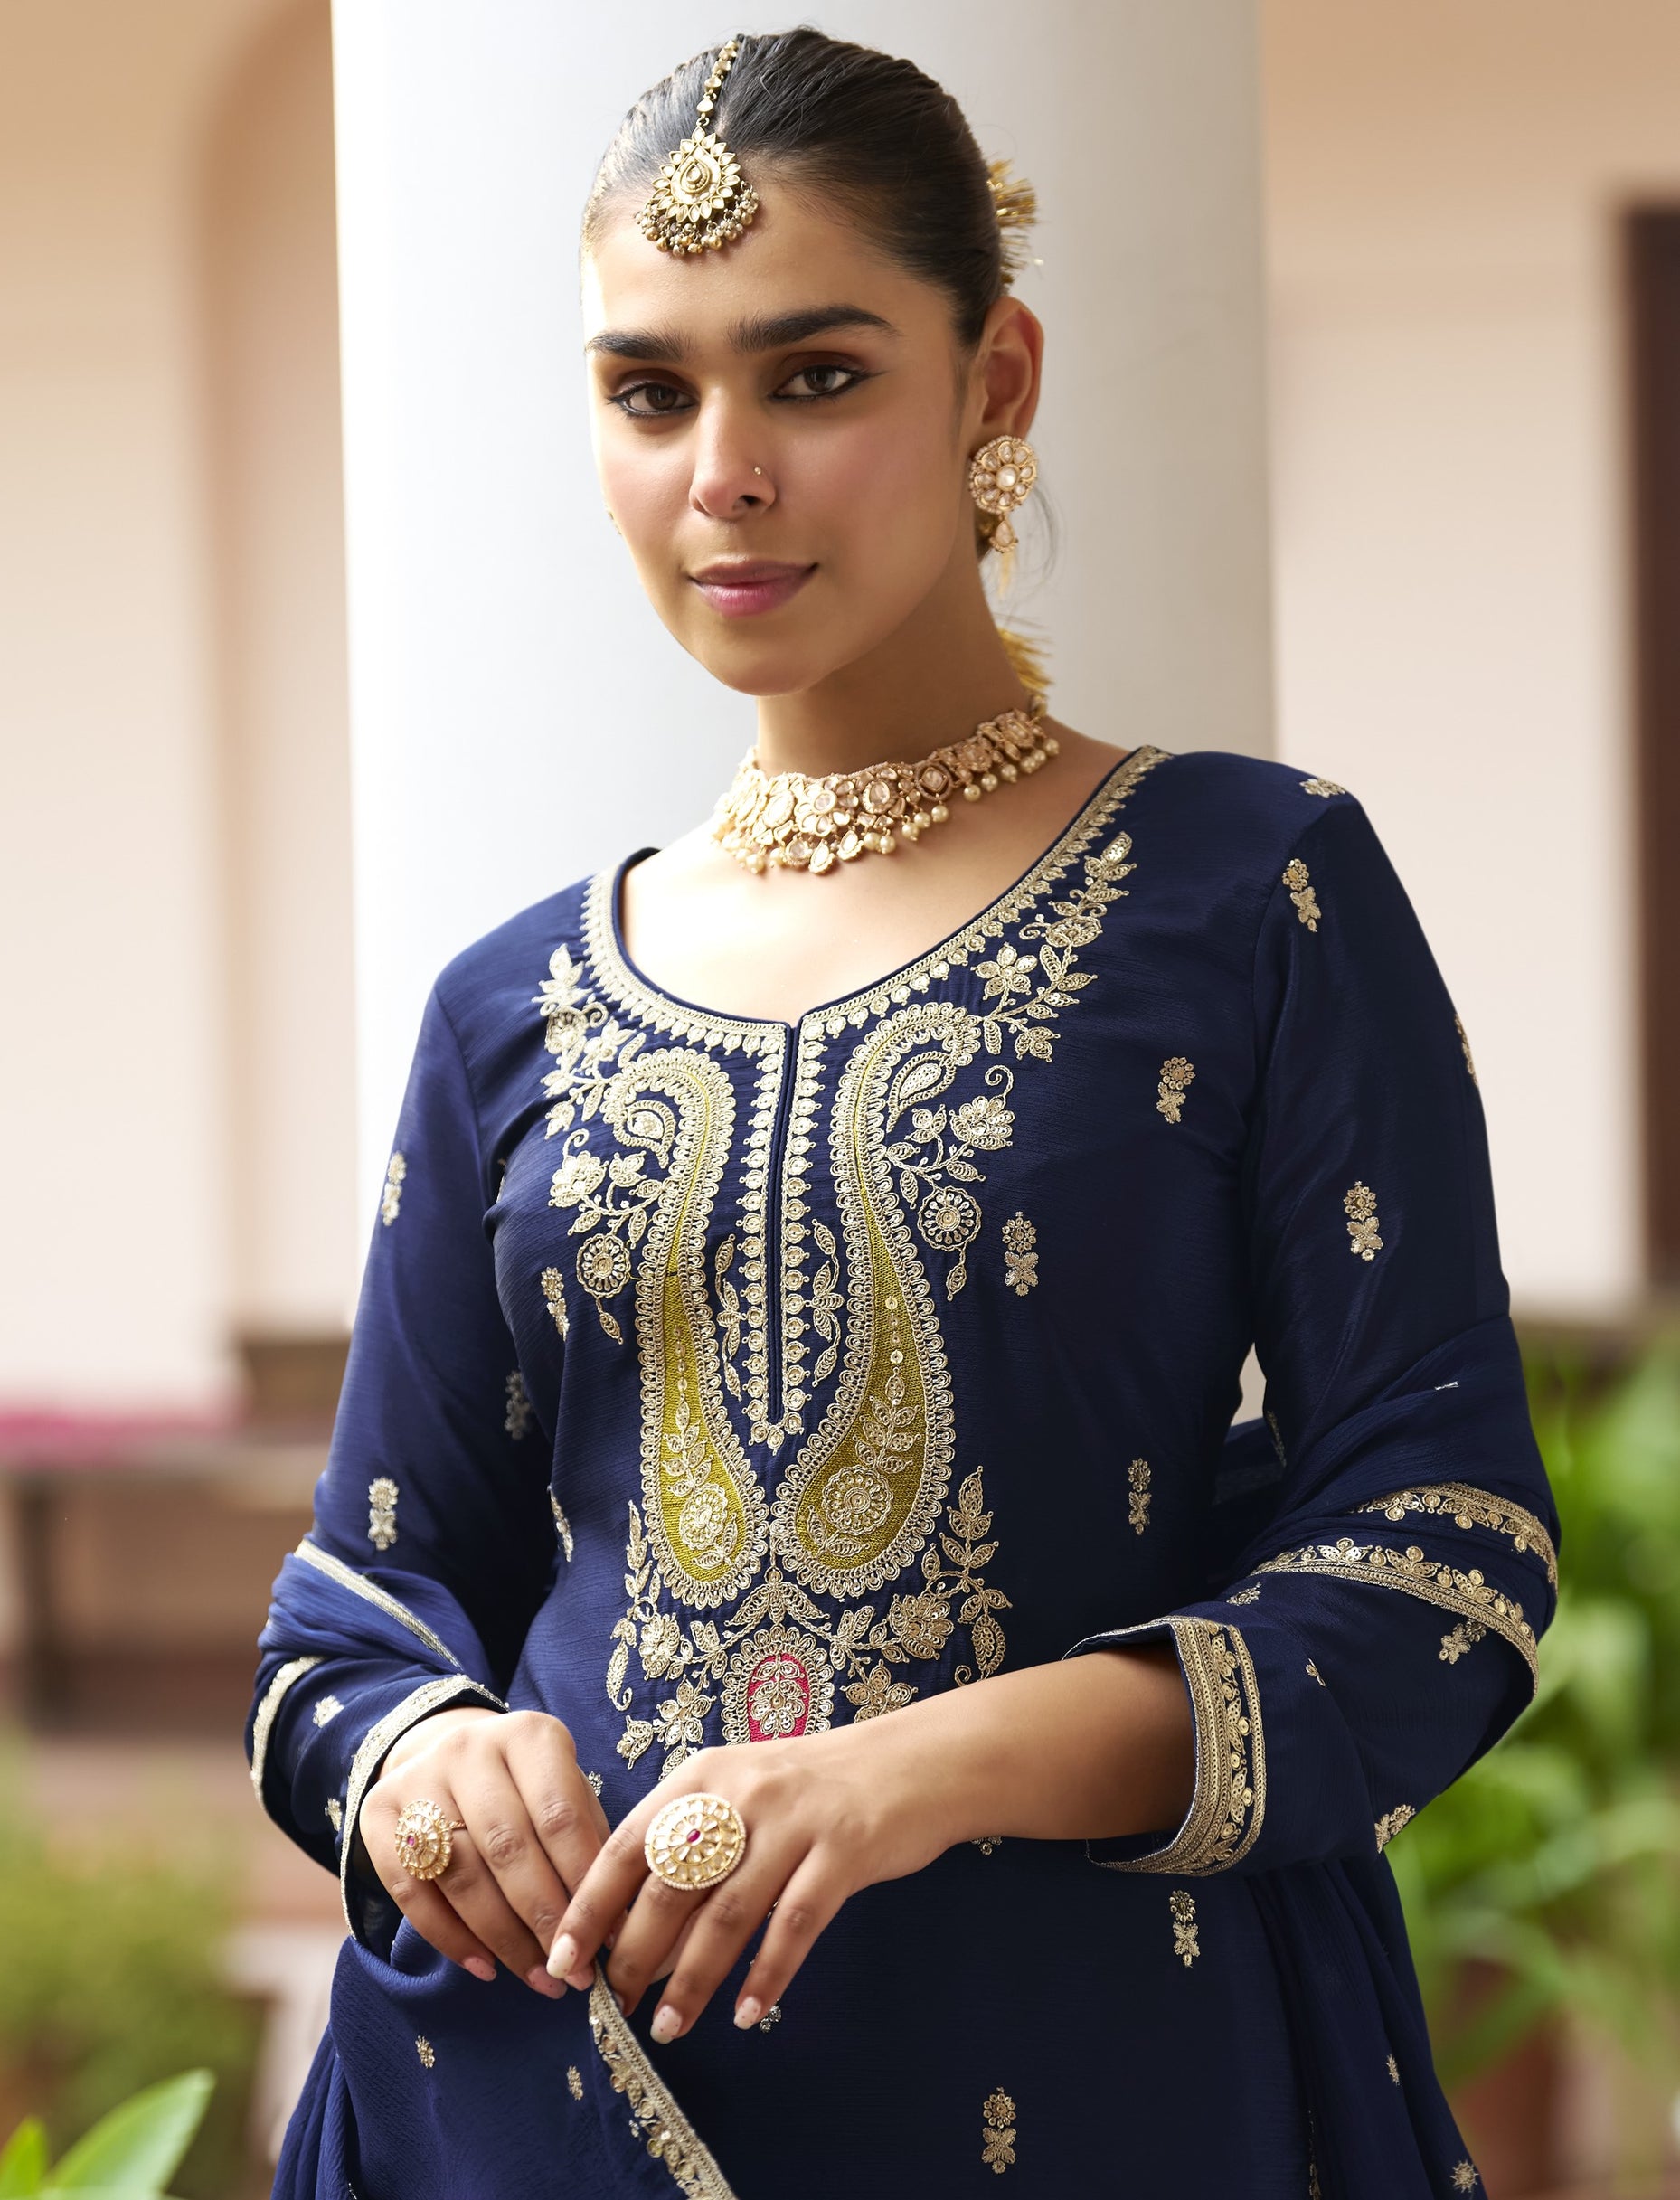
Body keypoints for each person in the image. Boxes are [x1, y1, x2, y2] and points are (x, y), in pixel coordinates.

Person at [251, 30, 1557, 2197]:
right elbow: (351, 1609)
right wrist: (417, 1758)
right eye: (648, 391)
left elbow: (1445, 1561)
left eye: (817, 375)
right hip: (564, 2098)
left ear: (996, 380)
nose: (724, 474)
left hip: (1089, 2069)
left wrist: (917, 1773)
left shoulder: (1252, 890)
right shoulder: (512, 1000)